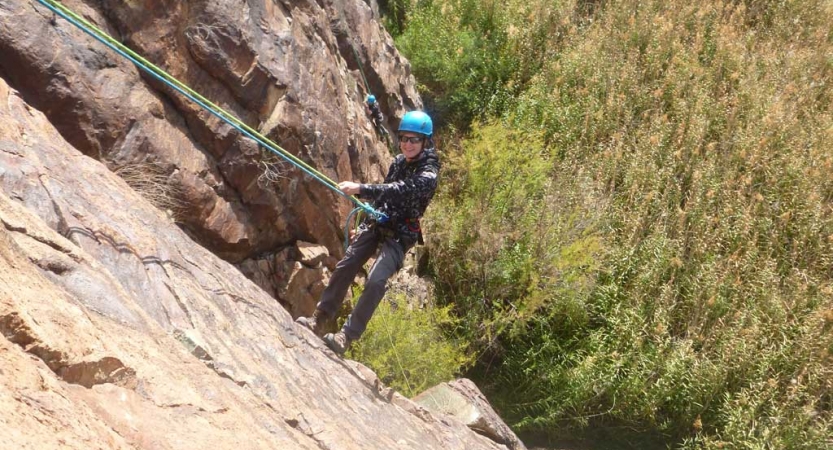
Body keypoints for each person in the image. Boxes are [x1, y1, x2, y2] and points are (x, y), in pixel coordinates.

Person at [296, 111, 440, 355]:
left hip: (400, 234)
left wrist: (361, 189)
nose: (407, 144)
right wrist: (364, 222)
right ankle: (320, 319)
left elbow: (399, 190)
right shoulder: (397, 163)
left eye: (413, 140)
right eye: (403, 138)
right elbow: (385, 198)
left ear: (425, 142)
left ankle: (346, 337)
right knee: (347, 264)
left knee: (375, 281)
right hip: (379, 222)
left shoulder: (429, 174)